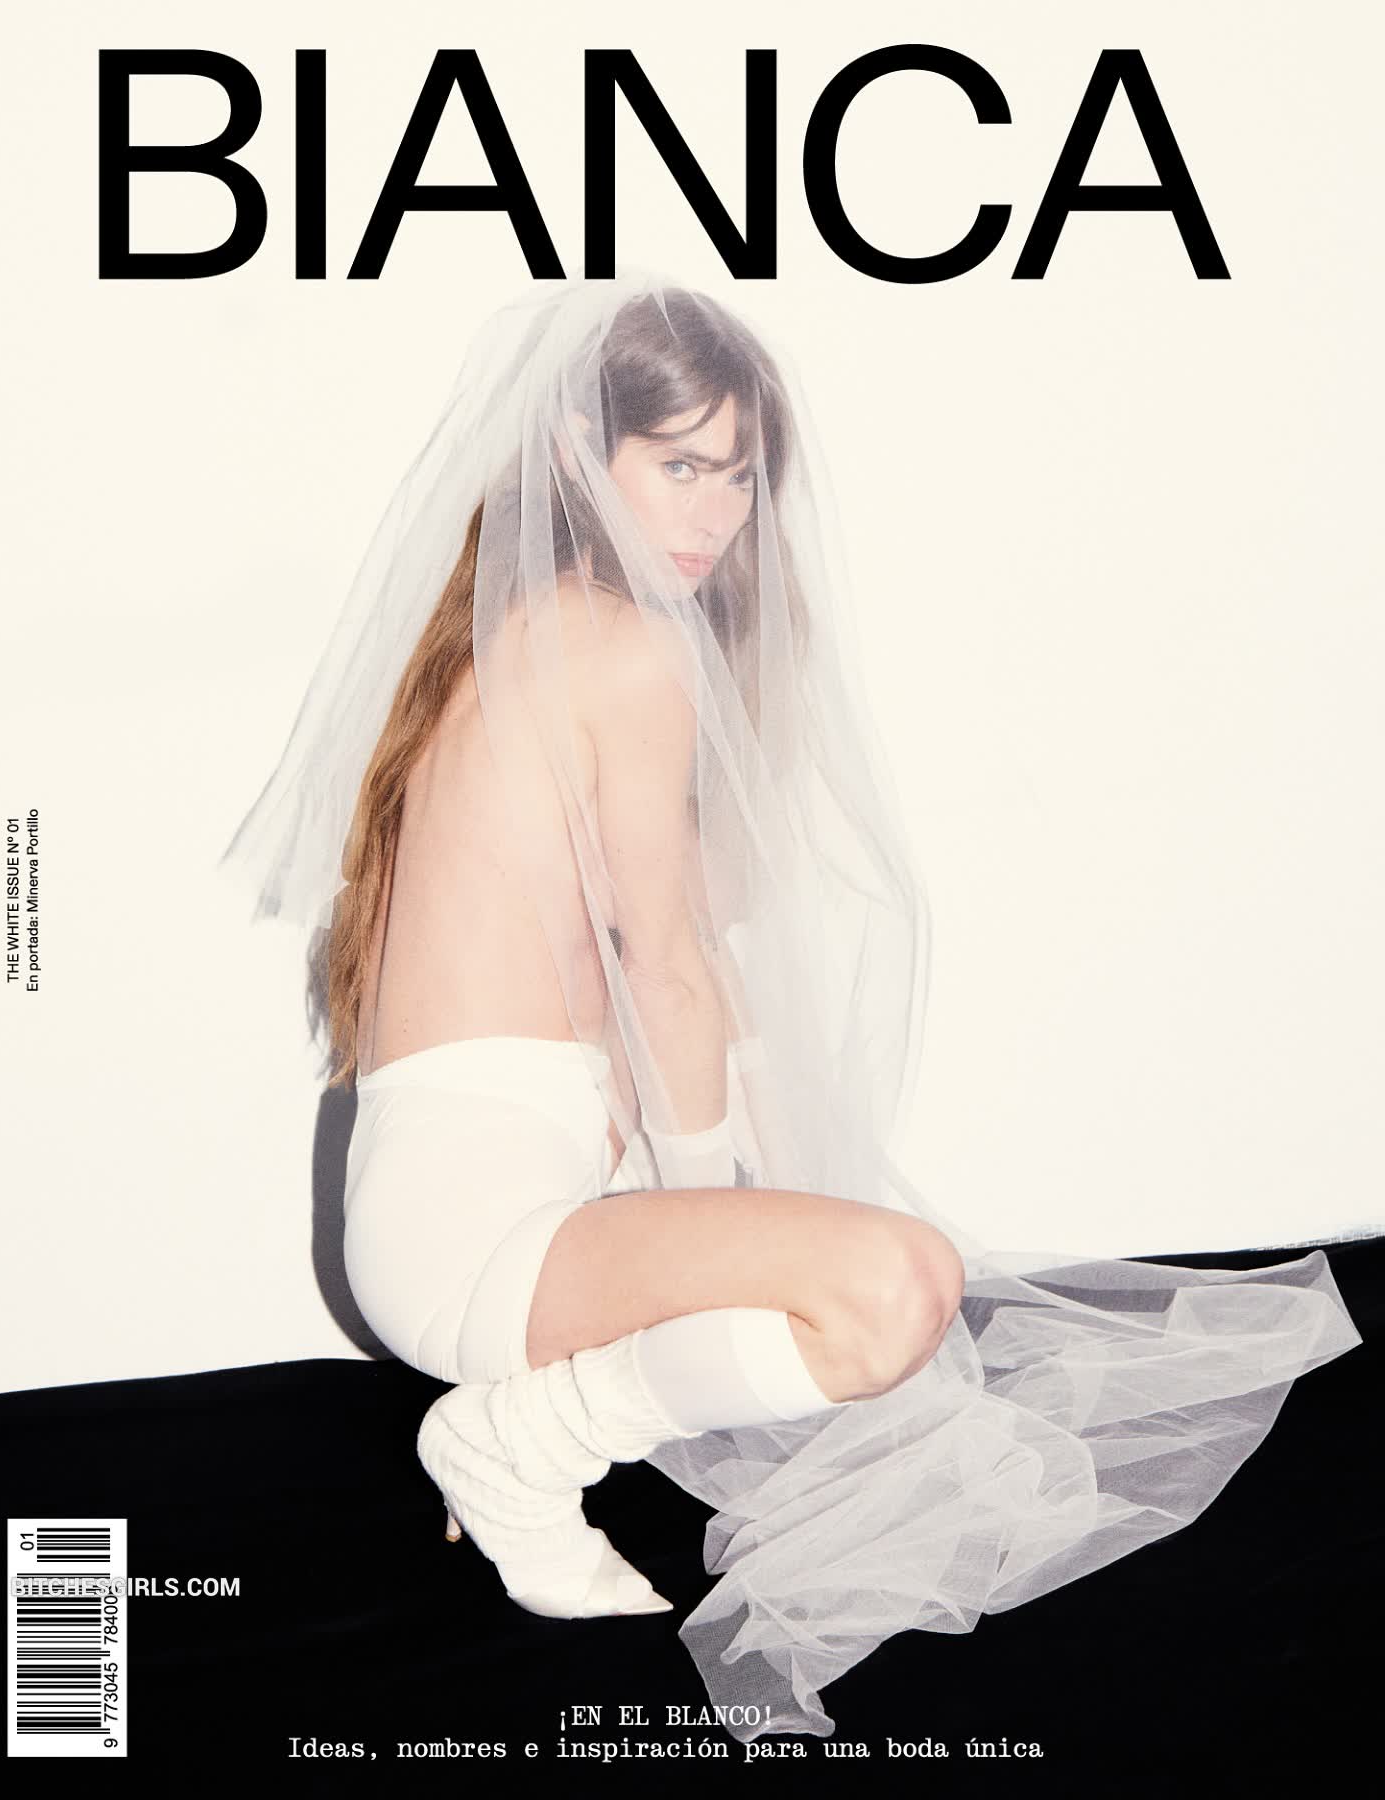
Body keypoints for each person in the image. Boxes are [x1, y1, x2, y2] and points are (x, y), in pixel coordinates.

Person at [223, 276, 1362, 1740]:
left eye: (739, 475)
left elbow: (658, 975)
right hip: (477, 1240)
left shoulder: (524, 633)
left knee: (873, 1275)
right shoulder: (620, 648)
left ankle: (525, 1412)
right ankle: (515, 1442)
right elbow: (668, 969)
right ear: (580, 450)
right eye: (679, 466)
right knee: (894, 1293)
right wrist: (715, 1218)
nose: (714, 513)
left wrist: (721, 1197)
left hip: (465, 1214)